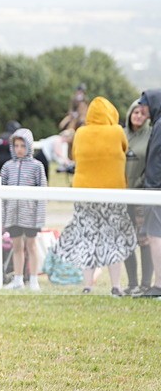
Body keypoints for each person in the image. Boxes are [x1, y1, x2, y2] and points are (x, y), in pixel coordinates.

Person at [55, 96, 136, 295]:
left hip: (84, 193)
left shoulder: (81, 133)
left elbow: (74, 155)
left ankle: (87, 286)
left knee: (87, 237)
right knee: (113, 238)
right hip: (113, 193)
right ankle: (116, 285)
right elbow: (125, 148)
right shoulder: (117, 131)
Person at [0, 128, 48, 291]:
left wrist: (39, 217)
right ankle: (18, 279)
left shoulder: (37, 166)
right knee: (17, 247)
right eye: (16, 146)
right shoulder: (7, 167)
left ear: (29, 146)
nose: (19, 149)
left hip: (31, 215)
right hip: (13, 214)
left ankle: (34, 279)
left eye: (22, 145)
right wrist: (4, 216)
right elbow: (2, 194)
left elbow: (42, 193)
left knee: (31, 246)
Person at [123, 98, 153, 294]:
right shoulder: (121, 135)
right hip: (122, 195)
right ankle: (132, 283)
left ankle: (145, 284)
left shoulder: (151, 135)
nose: (138, 116)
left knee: (144, 240)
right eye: (135, 112)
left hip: (141, 195)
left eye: (142, 113)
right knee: (126, 241)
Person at [137, 89, 161, 297]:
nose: (141, 108)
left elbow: (155, 162)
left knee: (155, 236)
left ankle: (159, 284)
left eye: (144, 104)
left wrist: (152, 188)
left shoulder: (160, 126)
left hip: (156, 190)